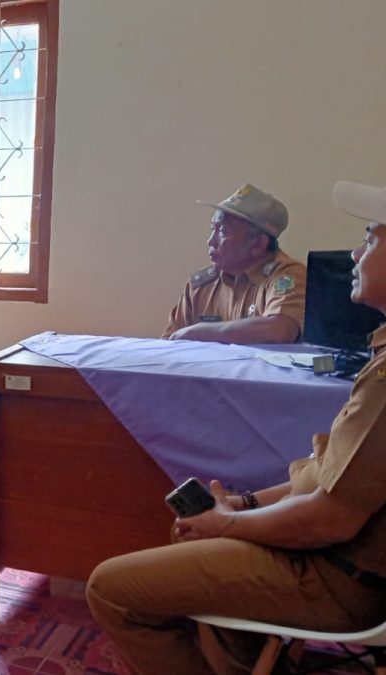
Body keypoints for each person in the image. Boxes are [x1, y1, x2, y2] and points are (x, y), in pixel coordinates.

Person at [87, 179, 386, 675]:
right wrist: (245, 506)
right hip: (334, 553)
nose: (355, 251)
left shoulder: (293, 284)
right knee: (197, 540)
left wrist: (230, 523)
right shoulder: (204, 280)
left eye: (373, 238)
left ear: (259, 242)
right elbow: (328, 474)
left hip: (340, 571)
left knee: (113, 590)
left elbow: (331, 516)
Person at [162, 183, 306, 344]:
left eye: (223, 232)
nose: (211, 241)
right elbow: (169, 345)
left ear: (258, 244)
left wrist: (197, 332)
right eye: (212, 229)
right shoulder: (201, 287)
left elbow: (278, 330)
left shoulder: (287, 276)